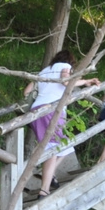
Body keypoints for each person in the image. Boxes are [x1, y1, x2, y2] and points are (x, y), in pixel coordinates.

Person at [25, 49, 98, 197]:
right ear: (70, 62)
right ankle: (44, 189)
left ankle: (50, 175)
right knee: (53, 148)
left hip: (36, 112)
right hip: (51, 111)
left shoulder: (44, 72)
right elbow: (66, 82)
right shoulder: (65, 67)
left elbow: (26, 92)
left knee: (66, 146)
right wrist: (86, 82)